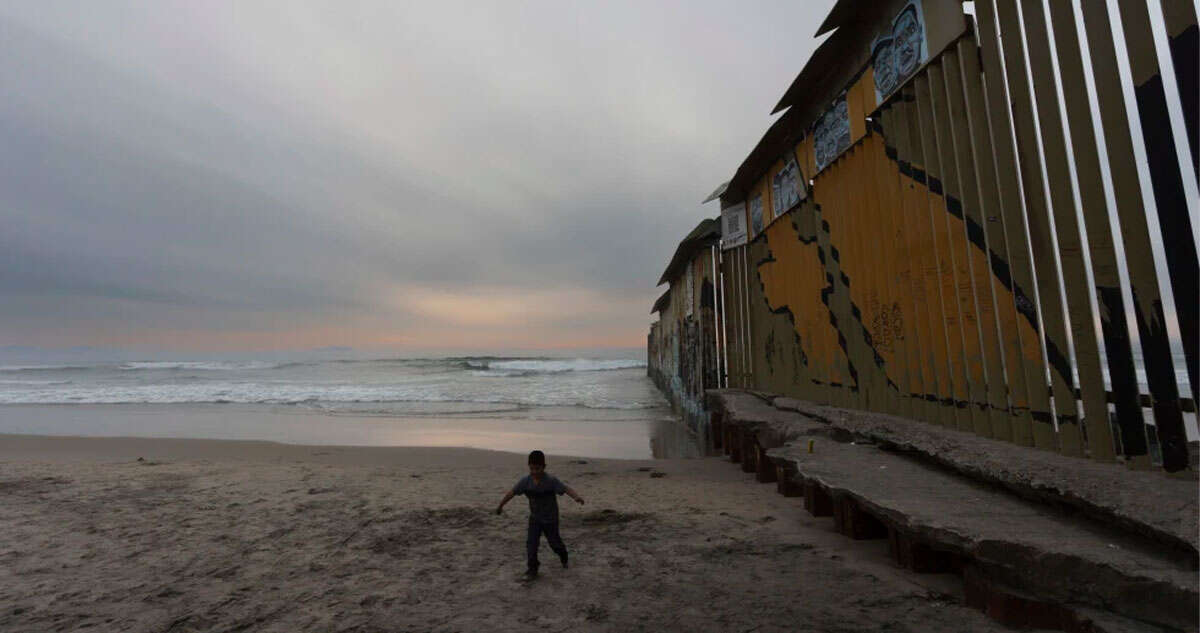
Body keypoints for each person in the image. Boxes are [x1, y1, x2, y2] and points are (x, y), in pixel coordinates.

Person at [495, 450, 584, 579]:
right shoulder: (525, 481)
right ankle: (532, 569)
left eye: (538, 469)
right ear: (529, 467)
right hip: (535, 518)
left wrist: (577, 497)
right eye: (532, 469)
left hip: (551, 519)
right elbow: (512, 493)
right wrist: (500, 506)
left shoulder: (551, 480)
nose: (535, 472)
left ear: (544, 467)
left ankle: (563, 555)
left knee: (555, 544)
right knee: (531, 544)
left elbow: (565, 489)